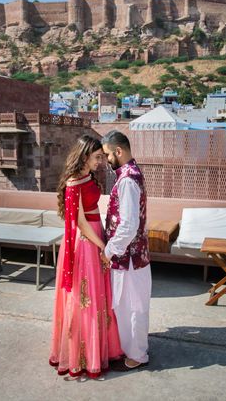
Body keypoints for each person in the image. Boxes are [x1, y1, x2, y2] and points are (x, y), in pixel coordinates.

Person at [49, 135, 123, 379]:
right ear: (84, 156)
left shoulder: (87, 177)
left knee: (97, 297)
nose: (101, 161)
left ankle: (98, 349)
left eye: (102, 157)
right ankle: (83, 356)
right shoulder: (73, 183)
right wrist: (103, 245)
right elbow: (80, 222)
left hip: (95, 235)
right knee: (86, 299)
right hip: (86, 244)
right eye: (97, 157)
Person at [100, 130, 152, 371]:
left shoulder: (128, 180)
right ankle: (132, 349)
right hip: (131, 256)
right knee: (128, 305)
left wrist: (108, 251)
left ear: (118, 151)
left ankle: (137, 354)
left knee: (132, 307)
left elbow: (129, 225)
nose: (107, 160)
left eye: (108, 155)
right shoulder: (129, 175)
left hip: (129, 258)